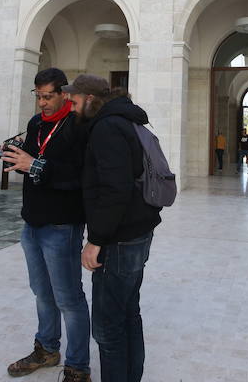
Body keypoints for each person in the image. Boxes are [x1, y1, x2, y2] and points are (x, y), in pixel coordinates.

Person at [64, 74, 162, 382]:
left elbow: (115, 189)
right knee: (129, 314)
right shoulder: (124, 120)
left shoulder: (107, 127)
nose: (71, 107)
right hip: (137, 230)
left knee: (108, 329)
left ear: (90, 99)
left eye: (74, 102)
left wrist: (96, 240)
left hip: (119, 239)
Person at [1, 68, 92, 382]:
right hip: (32, 222)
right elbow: (30, 165)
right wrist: (16, 158)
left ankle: (78, 368)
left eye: (48, 96)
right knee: (42, 292)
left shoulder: (79, 126)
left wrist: (36, 164)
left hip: (62, 225)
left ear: (64, 94)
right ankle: (47, 349)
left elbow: (80, 175)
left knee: (69, 298)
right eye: (38, 96)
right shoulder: (35, 123)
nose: (42, 103)